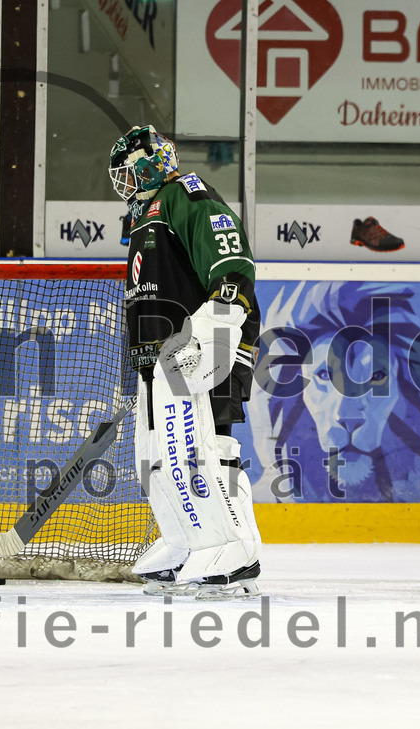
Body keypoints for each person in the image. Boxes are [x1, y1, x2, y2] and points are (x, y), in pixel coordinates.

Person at [108, 124, 263, 598]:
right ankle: (187, 540)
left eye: (127, 172)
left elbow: (230, 264)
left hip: (202, 346)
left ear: (148, 165)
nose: (122, 184)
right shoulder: (143, 217)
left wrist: (217, 326)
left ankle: (230, 545)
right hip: (162, 358)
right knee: (158, 453)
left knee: (207, 445)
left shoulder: (184, 196)